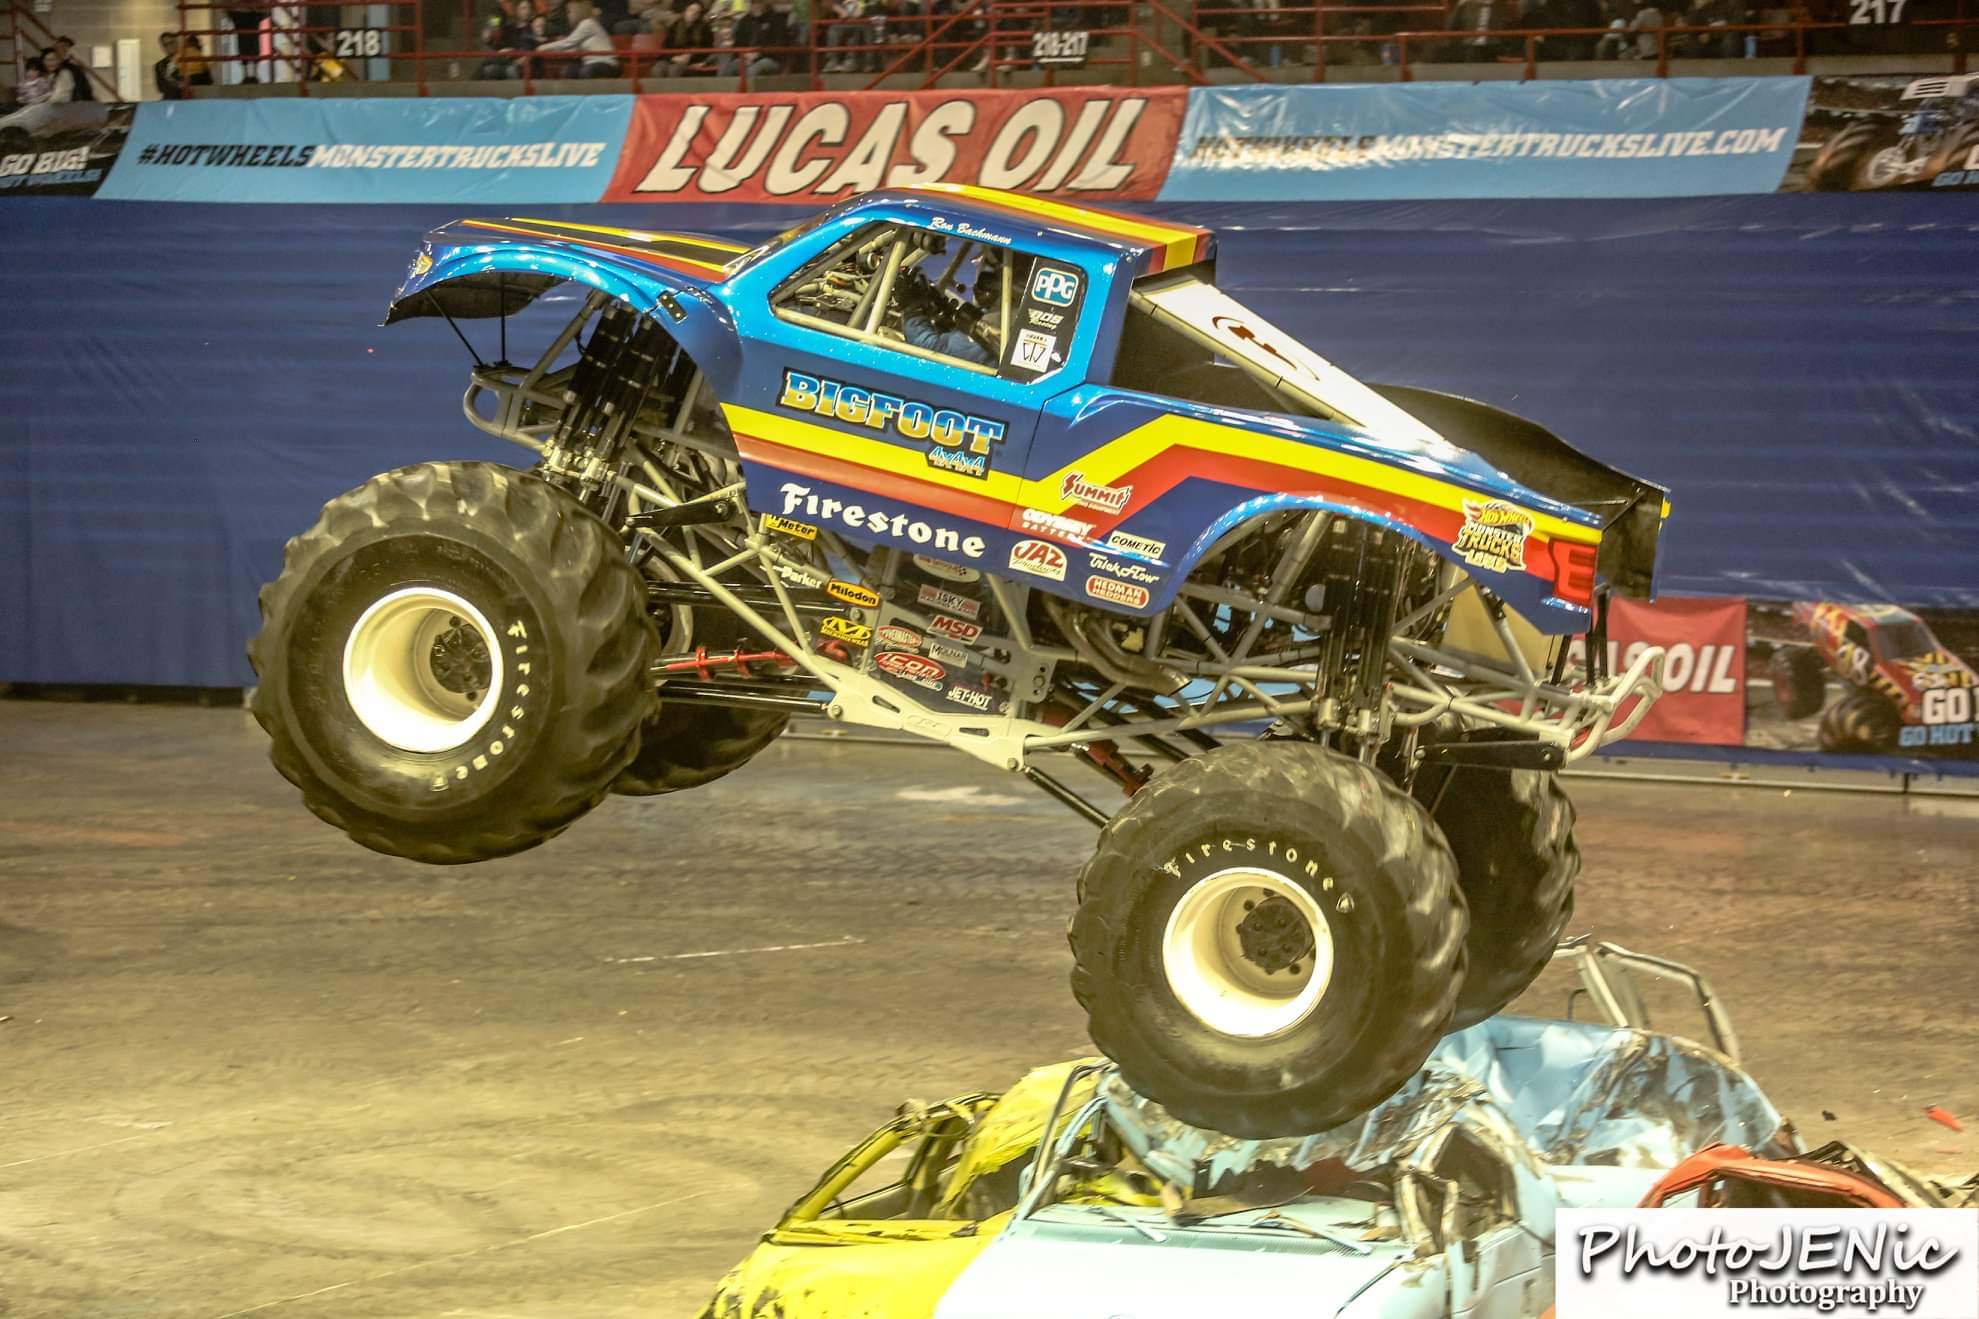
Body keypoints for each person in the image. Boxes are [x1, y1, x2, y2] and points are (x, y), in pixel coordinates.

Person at [534, 0, 621, 75]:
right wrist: (551, 51)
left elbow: (569, 43)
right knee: (568, 71)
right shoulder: (580, 27)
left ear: (579, 10)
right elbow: (572, 49)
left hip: (607, 64)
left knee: (587, 71)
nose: (568, 15)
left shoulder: (588, 23)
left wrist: (544, 47)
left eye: (569, 11)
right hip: (590, 64)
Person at [723, 0, 791, 76]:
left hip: (770, 58)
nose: (756, 6)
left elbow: (777, 46)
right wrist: (744, 55)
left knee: (752, 70)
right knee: (729, 68)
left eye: (759, 2)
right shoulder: (745, 21)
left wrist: (758, 54)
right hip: (746, 57)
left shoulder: (777, 20)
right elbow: (738, 44)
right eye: (753, 3)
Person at [661, 0, 715, 71]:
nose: (693, 13)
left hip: (693, 60)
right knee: (658, 69)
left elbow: (707, 48)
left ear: (699, 15)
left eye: (697, 12)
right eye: (691, 10)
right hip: (673, 58)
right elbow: (666, 46)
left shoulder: (705, 28)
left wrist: (690, 56)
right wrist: (673, 58)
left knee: (674, 70)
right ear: (685, 11)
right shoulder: (675, 25)